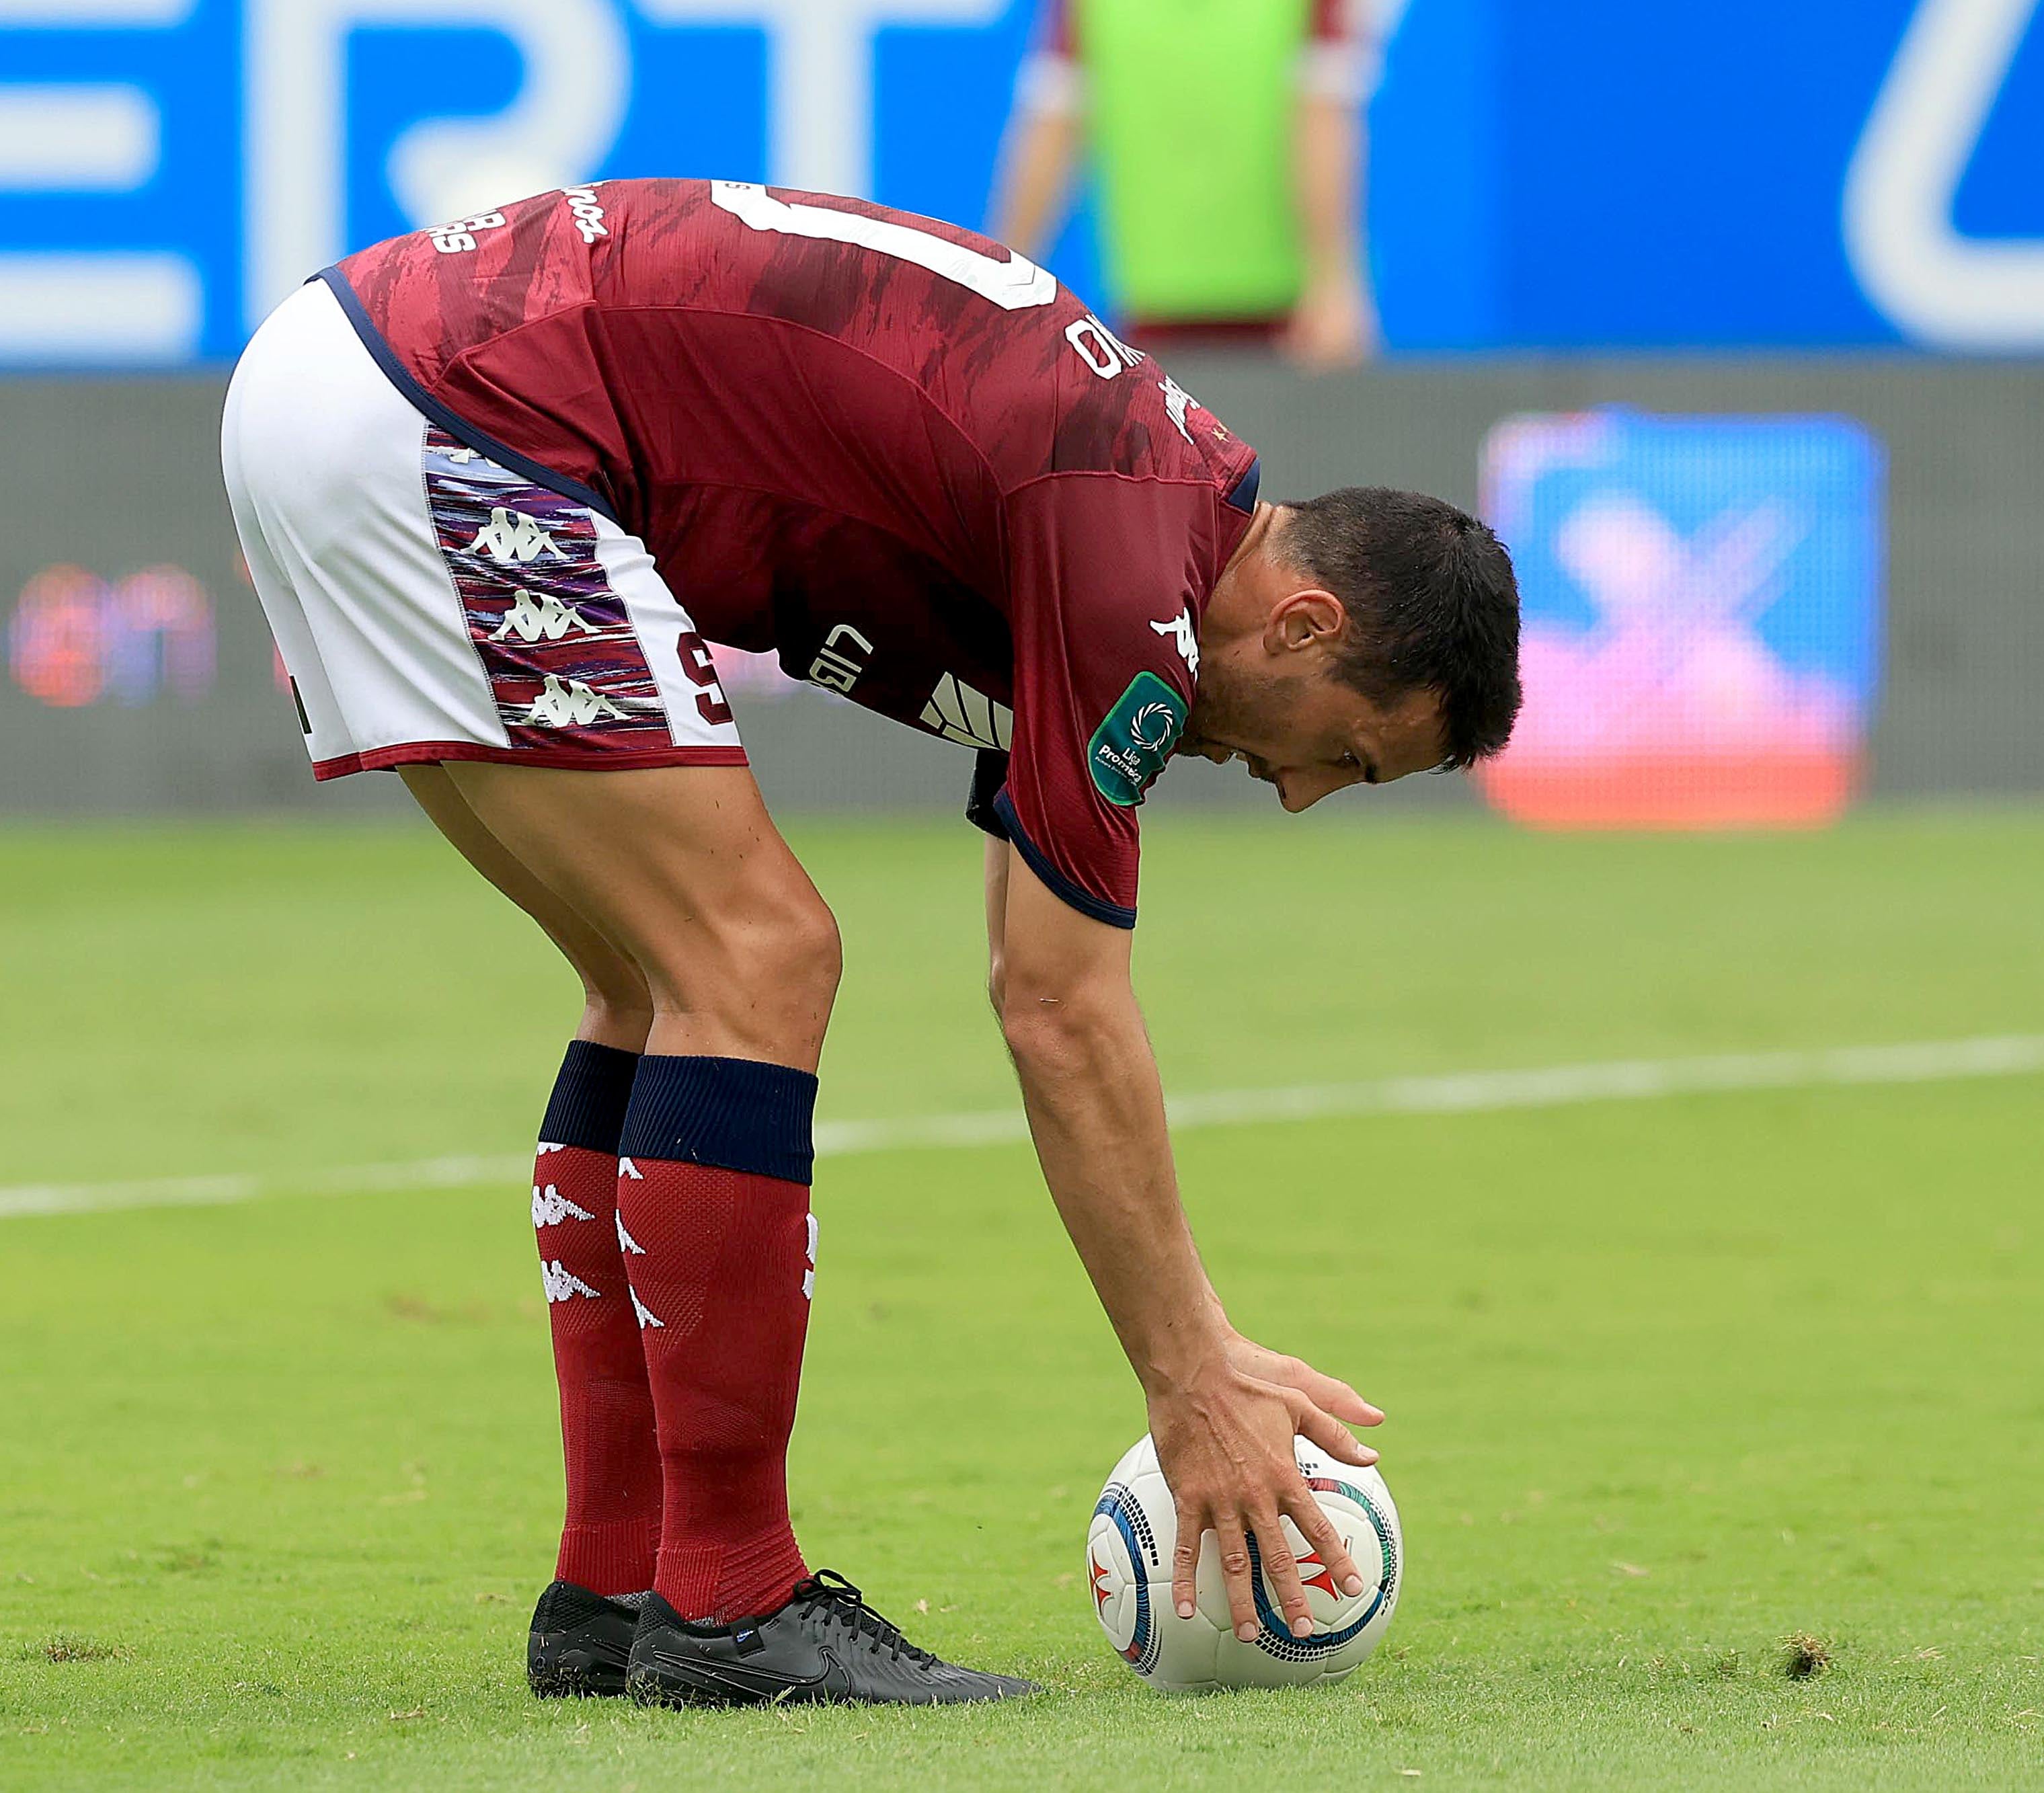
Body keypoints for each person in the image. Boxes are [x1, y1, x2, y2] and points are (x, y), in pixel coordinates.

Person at [218, 177, 1520, 1706]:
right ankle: (730, 1604)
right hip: (456, 409)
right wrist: (1190, 1375)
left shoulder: (1130, 516)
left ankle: (618, 1586)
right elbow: (1058, 1010)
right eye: (1347, 756)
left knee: (656, 982)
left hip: (356, 373)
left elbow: (1041, 962)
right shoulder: (1128, 556)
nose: (1300, 795)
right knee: (760, 957)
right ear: (1300, 626)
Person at [988, 0, 1384, 368]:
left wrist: (996, 296)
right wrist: (1334, 284)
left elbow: (1052, 130)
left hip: (1249, 315)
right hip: (1238, 309)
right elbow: (1321, 120)